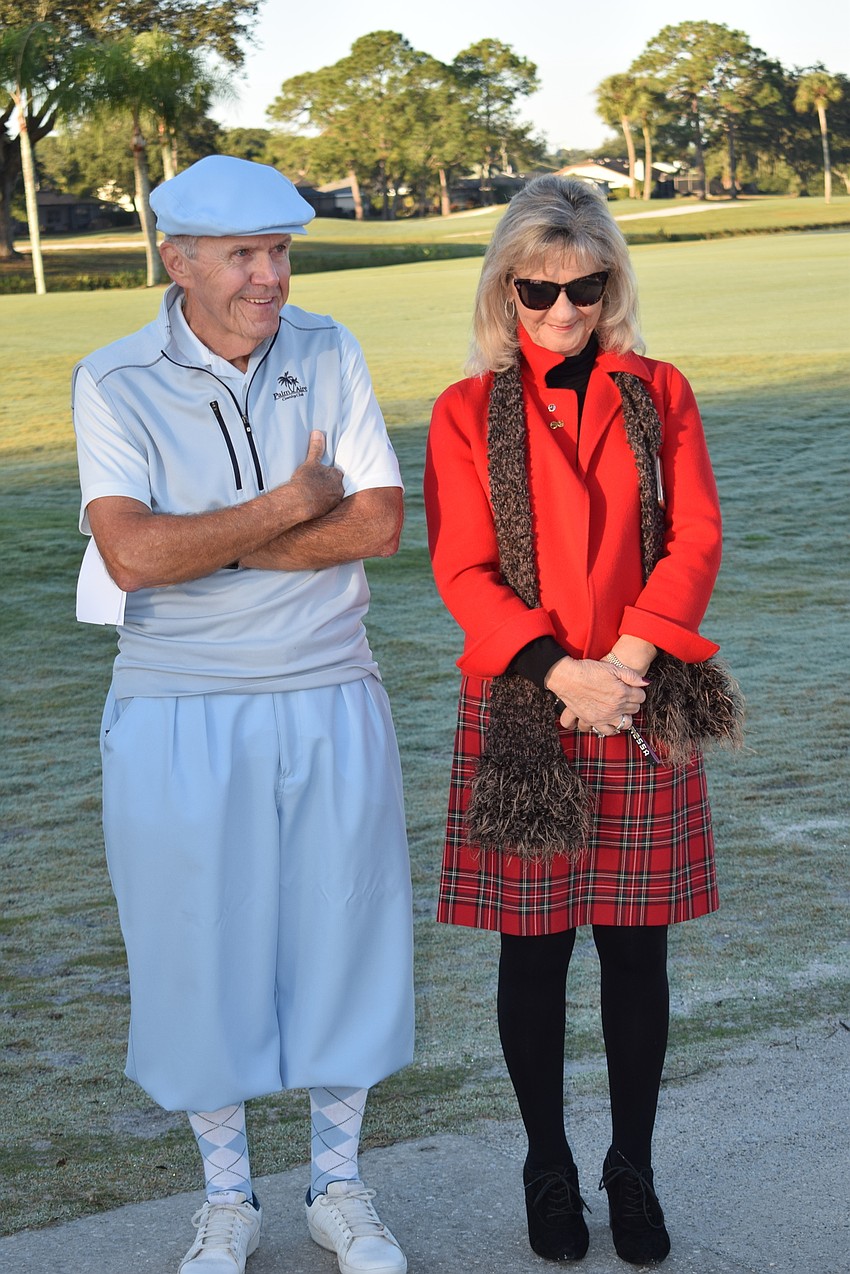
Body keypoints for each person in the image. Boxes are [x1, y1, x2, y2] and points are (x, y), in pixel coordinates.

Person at [72, 154, 414, 1274]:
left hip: (329, 684)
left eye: (280, 252)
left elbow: (375, 527)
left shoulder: (330, 348)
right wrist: (284, 506)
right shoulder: (113, 376)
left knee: (345, 938)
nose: (270, 278)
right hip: (177, 708)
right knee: (193, 950)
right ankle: (228, 1200)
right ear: (177, 262)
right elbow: (129, 552)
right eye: (243, 256)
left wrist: (204, 539)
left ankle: (339, 1187)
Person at [424, 174, 741, 1267]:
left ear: (613, 282)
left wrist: (628, 663)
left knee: (635, 950)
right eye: (537, 289)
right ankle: (546, 1166)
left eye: (585, 286)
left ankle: (632, 1166)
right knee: (533, 952)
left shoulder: (660, 391)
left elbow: (692, 538)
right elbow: (460, 568)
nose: (561, 310)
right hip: (525, 698)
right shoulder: (466, 412)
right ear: (503, 288)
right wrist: (565, 671)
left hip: (638, 696)